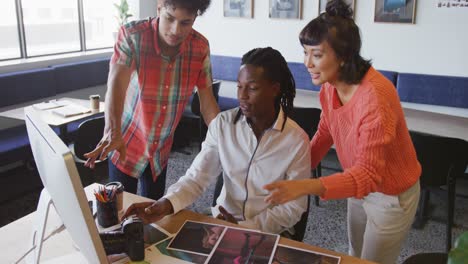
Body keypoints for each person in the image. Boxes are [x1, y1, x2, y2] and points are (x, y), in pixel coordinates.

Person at [263, 1, 421, 264]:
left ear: (344, 56)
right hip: (357, 183)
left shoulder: (375, 97)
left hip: (391, 194)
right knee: (354, 255)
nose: (307, 63)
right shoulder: (329, 85)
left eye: (316, 54)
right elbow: (327, 129)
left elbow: (370, 175)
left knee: (371, 262)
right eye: (305, 53)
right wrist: (299, 169)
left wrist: (304, 185)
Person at [122, 47, 310, 235]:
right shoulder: (223, 125)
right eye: (239, 86)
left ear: (275, 89)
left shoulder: (296, 140)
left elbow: (294, 207)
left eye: (252, 88)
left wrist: (244, 228)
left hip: (269, 231)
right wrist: (165, 203)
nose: (242, 96)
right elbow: (196, 177)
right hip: (221, 222)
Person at [84, 0, 220, 200]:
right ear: (159, 7)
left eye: (185, 23)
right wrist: (113, 130)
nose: (175, 30)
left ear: (195, 18)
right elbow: (116, 85)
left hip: (160, 150)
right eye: (169, 18)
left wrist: (227, 140)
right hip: (125, 143)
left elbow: (208, 105)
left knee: (153, 212)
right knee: (119, 212)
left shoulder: (200, 47)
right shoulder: (132, 35)